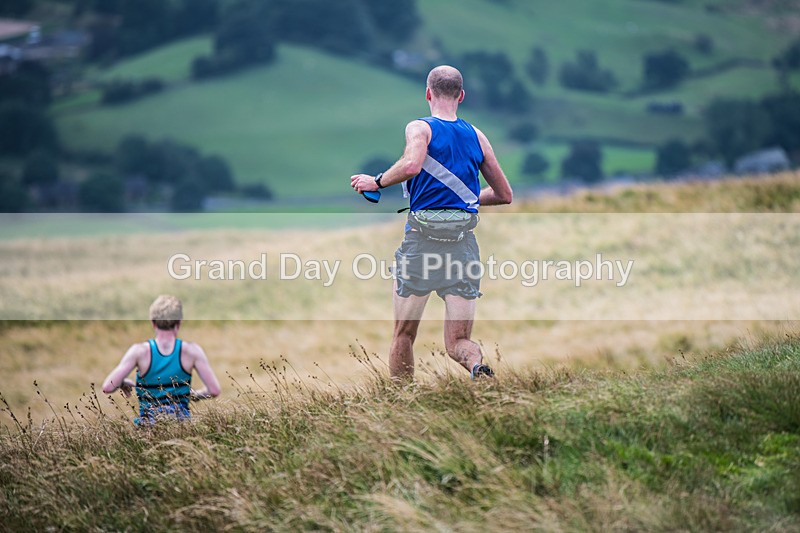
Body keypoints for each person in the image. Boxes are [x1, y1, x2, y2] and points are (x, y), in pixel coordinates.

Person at [350, 65, 513, 380]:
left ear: (428, 93)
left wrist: (376, 181)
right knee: (459, 342)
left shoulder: (419, 128)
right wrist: (463, 200)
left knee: (404, 334)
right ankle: (477, 368)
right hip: (463, 247)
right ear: (461, 96)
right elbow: (505, 194)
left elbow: (411, 164)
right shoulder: (477, 136)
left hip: (422, 245)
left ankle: (402, 406)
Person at [102, 295, 221, 424]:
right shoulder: (191, 351)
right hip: (181, 429)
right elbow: (214, 390)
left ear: (153, 323)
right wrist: (195, 395)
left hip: (147, 430)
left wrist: (122, 382)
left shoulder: (139, 351)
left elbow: (108, 387)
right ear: (179, 323)